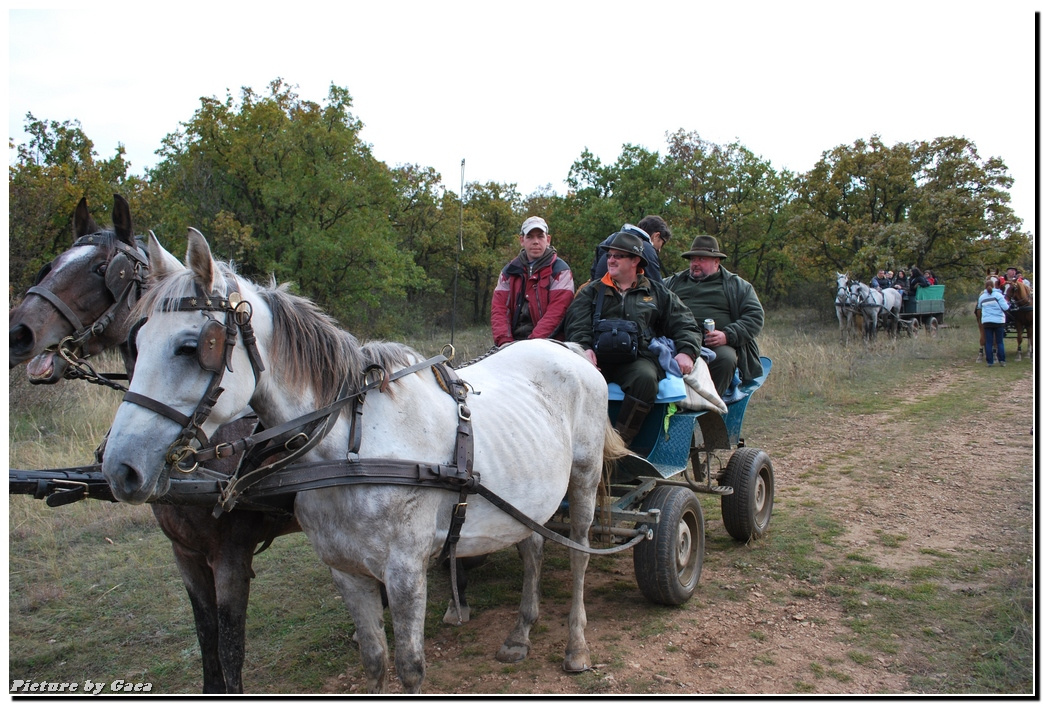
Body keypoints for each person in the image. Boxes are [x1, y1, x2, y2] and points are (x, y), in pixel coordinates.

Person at [565, 229, 699, 445]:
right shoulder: (591, 291)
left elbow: (685, 323)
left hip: (638, 359)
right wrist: (584, 349)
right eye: (609, 256)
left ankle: (620, 444)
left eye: (618, 256)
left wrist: (687, 352)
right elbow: (576, 324)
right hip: (597, 359)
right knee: (571, 379)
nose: (611, 260)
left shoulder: (656, 292)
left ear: (635, 260)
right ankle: (580, 444)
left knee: (646, 378)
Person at [664, 235, 764, 398]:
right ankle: (671, 404)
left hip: (714, 344)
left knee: (726, 358)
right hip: (677, 340)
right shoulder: (672, 283)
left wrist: (728, 335)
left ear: (716, 262)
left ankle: (710, 403)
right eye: (692, 259)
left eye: (701, 259)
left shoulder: (737, 286)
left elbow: (755, 316)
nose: (695, 264)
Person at [490, 215, 574, 347]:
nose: (536, 242)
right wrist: (504, 341)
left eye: (540, 236)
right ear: (522, 240)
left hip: (550, 342)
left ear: (548, 240)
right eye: (530, 237)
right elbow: (499, 309)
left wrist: (532, 344)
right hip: (512, 342)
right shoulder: (509, 271)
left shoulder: (560, 270)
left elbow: (557, 312)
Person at [589, 215, 672, 283]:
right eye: (662, 242)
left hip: (599, 299)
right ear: (656, 236)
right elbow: (658, 287)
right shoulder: (646, 249)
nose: (660, 249)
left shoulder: (607, 242)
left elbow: (594, 276)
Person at [976, 277, 1009, 367]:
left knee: (989, 342)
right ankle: (1002, 360)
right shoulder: (999, 295)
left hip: (987, 321)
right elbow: (1006, 308)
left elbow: (979, 307)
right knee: (999, 342)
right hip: (999, 321)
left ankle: (989, 362)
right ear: (994, 285)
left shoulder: (982, 297)